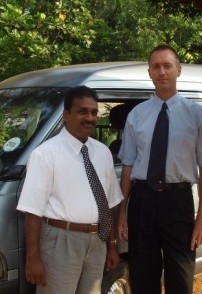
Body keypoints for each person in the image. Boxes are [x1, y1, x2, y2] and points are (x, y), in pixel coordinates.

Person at [117, 44, 202, 294]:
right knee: (143, 277)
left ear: (179, 70)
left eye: (167, 65)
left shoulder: (198, 115)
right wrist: (123, 211)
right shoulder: (136, 115)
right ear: (149, 73)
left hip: (178, 203)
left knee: (181, 279)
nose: (162, 71)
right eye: (156, 66)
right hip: (141, 202)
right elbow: (128, 168)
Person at [17, 86, 123, 294]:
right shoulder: (45, 155)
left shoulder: (102, 153)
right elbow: (33, 212)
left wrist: (111, 246)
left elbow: (108, 204)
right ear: (66, 115)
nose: (90, 118)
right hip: (60, 242)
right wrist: (33, 258)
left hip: (96, 242)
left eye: (94, 112)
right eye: (82, 111)